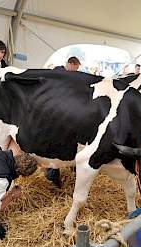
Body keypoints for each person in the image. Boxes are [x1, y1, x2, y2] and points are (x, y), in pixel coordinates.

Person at [47, 56, 82, 188]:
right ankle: (52, 175)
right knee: (56, 146)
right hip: (56, 115)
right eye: (76, 68)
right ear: (71, 64)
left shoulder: (68, 75)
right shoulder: (58, 72)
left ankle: (71, 170)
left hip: (67, 115)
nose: (76, 71)